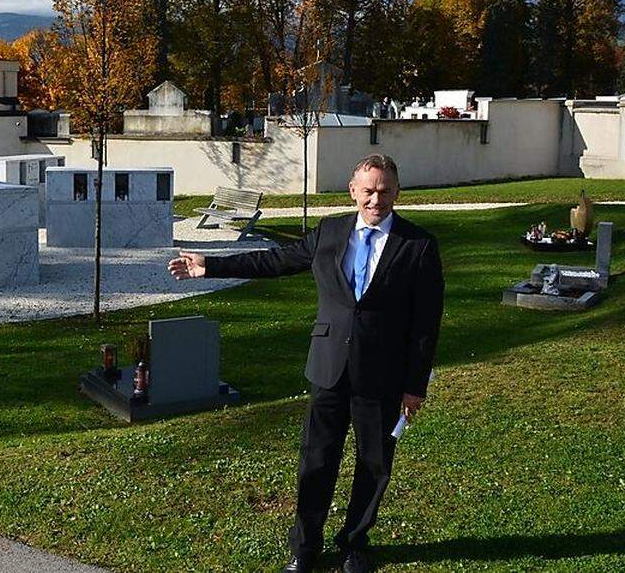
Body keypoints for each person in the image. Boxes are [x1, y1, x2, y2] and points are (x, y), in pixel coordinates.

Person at [168, 154, 443, 573]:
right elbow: (275, 261)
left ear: (397, 192)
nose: (375, 199)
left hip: (382, 376)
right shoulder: (330, 232)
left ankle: (355, 543)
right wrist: (211, 266)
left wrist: (414, 385)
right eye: (368, 190)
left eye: (384, 191)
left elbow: (426, 323)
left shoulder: (418, 245)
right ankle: (305, 548)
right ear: (353, 191)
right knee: (317, 460)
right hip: (329, 367)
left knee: (374, 463)